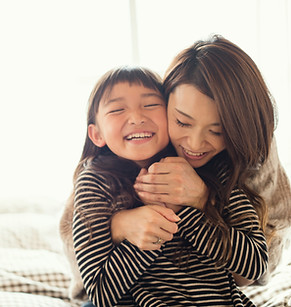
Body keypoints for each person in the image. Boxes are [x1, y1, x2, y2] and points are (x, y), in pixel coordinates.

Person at [110, 35, 276, 306]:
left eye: (217, 131)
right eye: (182, 123)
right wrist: (120, 224)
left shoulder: (231, 168)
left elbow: (257, 267)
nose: (196, 145)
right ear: (165, 103)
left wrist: (199, 202)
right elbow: (89, 267)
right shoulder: (131, 147)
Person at [59, 66, 180, 304]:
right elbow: (100, 291)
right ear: (97, 135)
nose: (137, 117)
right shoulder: (94, 183)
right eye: (117, 109)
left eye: (151, 105)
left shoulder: (187, 170)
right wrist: (152, 226)